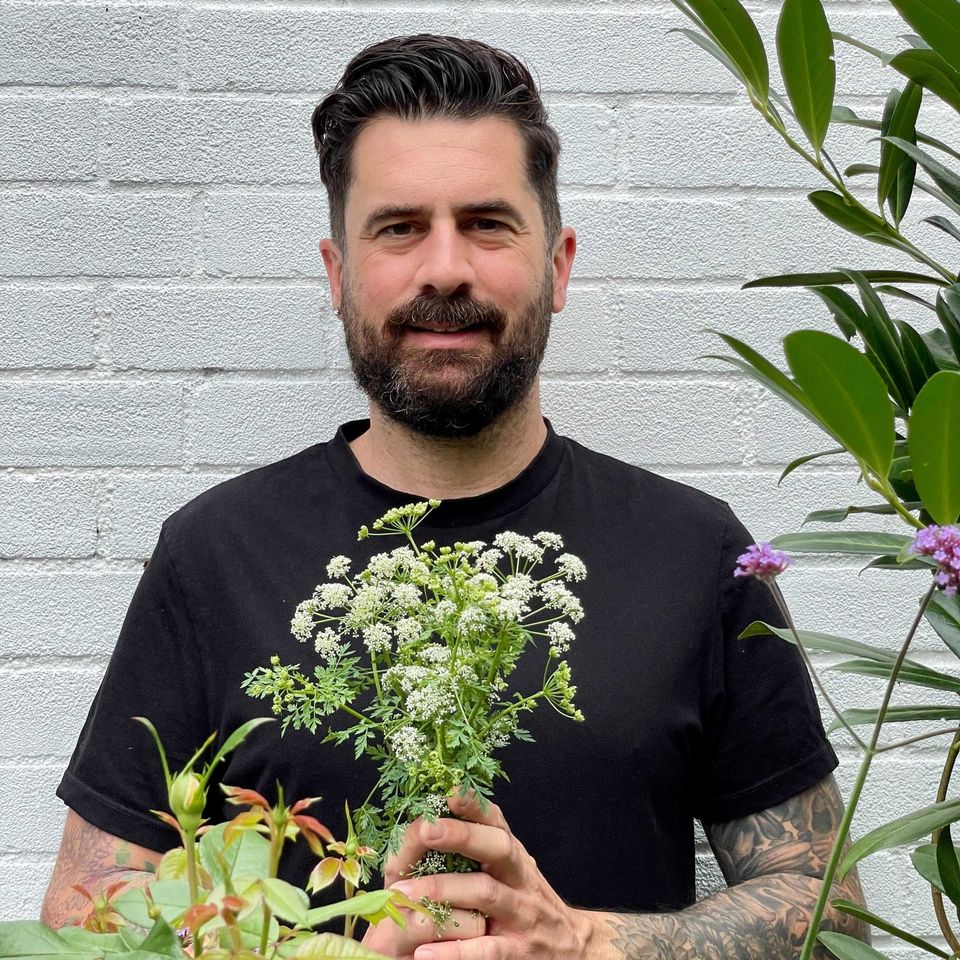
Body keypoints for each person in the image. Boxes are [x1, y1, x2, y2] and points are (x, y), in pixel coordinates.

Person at [42, 34, 867, 959]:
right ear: (337, 271)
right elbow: (84, 914)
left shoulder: (696, 550)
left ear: (557, 266)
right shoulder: (215, 553)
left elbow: (830, 912)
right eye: (398, 228)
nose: (445, 269)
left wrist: (588, 945)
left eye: (487, 223)